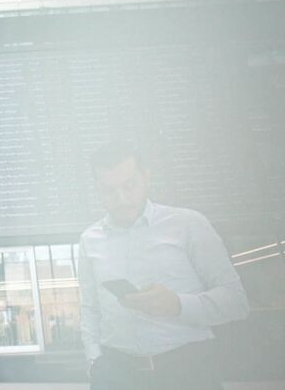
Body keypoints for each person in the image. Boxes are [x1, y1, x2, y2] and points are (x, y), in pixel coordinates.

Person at [78, 143, 249, 390]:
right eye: (109, 190)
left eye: (129, 185)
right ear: (97, 190)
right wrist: (94, 360)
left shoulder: (189, 224)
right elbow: (90, 308)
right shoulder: (89, 240)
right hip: (115, 373)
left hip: (188, 371)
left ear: (146, 177)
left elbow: (236, 301)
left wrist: (177, 304)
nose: (122, 199)